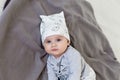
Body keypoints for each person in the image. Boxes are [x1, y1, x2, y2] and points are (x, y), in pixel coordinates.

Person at [40, 11, 96, 80]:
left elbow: (75, 73)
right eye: (48, 41)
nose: (53, 44)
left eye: (58, 40)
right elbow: (52, 76)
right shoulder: (50, 59)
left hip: (83, 76)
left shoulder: (73, 55)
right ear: (44, 45)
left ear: (67, 42)